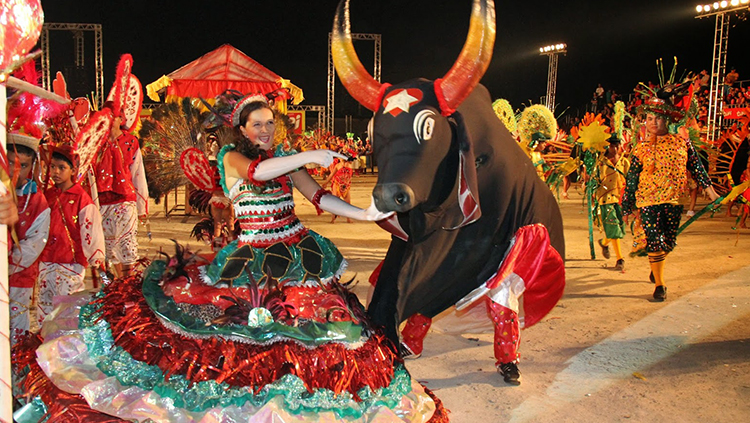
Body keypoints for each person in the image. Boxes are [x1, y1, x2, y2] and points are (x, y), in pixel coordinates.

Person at [12, 94, 447, 422]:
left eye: (270, 122)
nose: (266, 130)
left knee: (318, 337)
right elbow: (259, 173)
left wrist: (364, 213)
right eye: (257, 124)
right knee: (245, 338)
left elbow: (318, 195)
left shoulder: (284, 159)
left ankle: (297, 403)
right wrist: (310, 155)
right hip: (251, 263)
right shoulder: (232, 157)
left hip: (298, 255)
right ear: (241, 128)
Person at [622, 95, 718, 301]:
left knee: (667, 242)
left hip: (674, 200)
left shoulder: (682, 143)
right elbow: (632, 178)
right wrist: (627, 206)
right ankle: (660, 284)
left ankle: (657, 265)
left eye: (658, 118)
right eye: (649, 119)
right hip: (647, 200)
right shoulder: (640, 148)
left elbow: (696, 167)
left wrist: (711, 192)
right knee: (654, 240)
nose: (653, 123)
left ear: (667, 120)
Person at [36, 145, 105, 325]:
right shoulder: (47, 196)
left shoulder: (81, 198)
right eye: (52, 167)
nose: (56, 172)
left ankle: (67, 341)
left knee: (68, 308)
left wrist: (96, 260)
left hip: (71, 262)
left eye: (62, 168)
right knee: (46, 306)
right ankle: (44, 339)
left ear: (73, 171)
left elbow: (90, 231)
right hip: (46, 259)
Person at [94, 101, 149, 278]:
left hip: (125, 200)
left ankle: (128, 283)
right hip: (101, 203)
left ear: (121, 119)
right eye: (107, 116)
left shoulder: (130, 142)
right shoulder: (95, 142)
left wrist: (142, 207)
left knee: (127, 244)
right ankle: (115, 285)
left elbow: (138, 173)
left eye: (115, 117)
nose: (111, 121)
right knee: (106, 248)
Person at [6, 132, 50, 345]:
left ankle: (16, 362)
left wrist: (6, 265)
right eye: (10, 162)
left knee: (16, 325)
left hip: (19, 278)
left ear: (32, 167)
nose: (15, 171)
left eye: (23, 165)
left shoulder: (37, 201)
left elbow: (35, 243)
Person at [595, 135, 629, 271]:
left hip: (620, 197)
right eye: (612, 146)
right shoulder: (600, 162)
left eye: (617, 146)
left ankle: (604, 242)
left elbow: (630, 179)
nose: (614, 149)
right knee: (613, 226)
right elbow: (592, 178)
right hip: (605, 197)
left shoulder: (624, 162)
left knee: (620, 227)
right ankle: (620, 259)